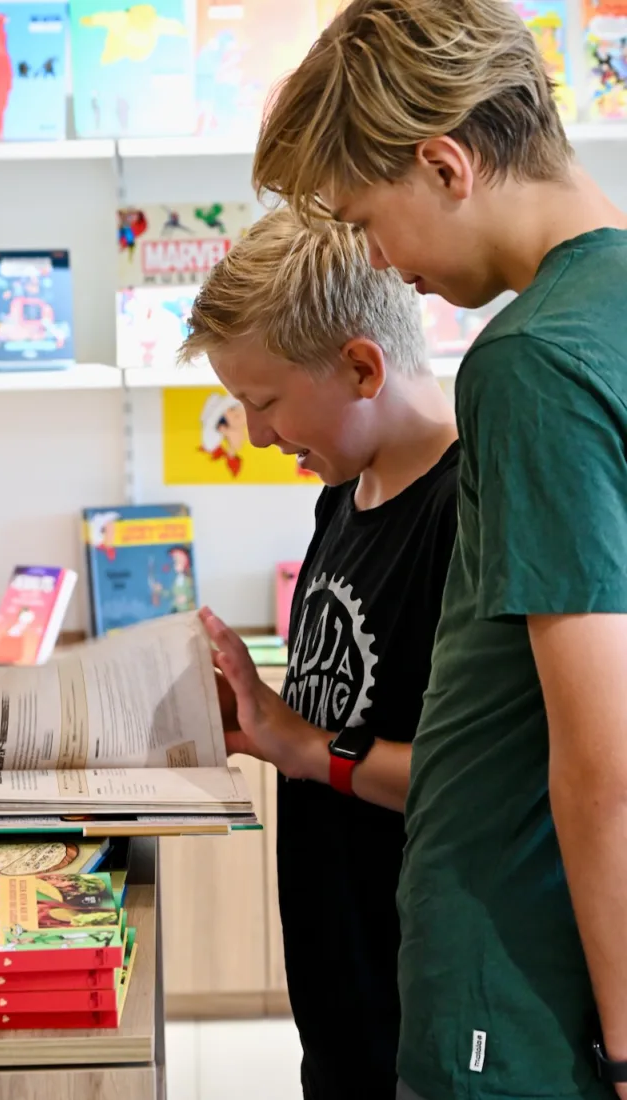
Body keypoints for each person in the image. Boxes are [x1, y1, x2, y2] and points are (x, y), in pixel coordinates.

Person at [252, 2, 627, 1098]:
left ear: (445, 164)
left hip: (508, 983)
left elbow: (598, 760)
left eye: (364, 217)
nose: (373, 257)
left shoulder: (528, 363)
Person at [179, 206, 458, 1100]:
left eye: (264, 402)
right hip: (338, 975)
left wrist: (303, 749)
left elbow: (490, 777)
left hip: (425, 990)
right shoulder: (346, 490)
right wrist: (259, 723)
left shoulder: (468, 510)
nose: (256, 435)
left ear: (362, 366)